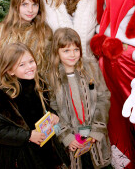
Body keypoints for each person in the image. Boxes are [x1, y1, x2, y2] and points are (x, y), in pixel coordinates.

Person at [0, 43, 64, 169]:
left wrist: (53, 114)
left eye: (31, 61)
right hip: (21, 156)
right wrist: (29, 136)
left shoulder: (38, 83)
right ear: (10, 70)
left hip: (45, 150)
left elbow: (44, 108)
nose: (30, 67)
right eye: (22, 64)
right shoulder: (1, 97)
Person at [47, 27, 111, 169]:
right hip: (72, 143)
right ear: (56, 52)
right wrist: (66, 136)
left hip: (94, 138)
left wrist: (97, 128)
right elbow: (52, 113)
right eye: (66, 51)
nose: (72, 55)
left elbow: (103, 98)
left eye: (76, 49)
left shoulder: (91, 68)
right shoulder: (51, 77)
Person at [0, 0, 52, 91]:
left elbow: (47, 70)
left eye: (34, 5)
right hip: (5, 92)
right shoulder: (3, 30)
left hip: (32, 92)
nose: (30, 10)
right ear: (16, 5)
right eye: (25, 4)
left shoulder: (44, 33)